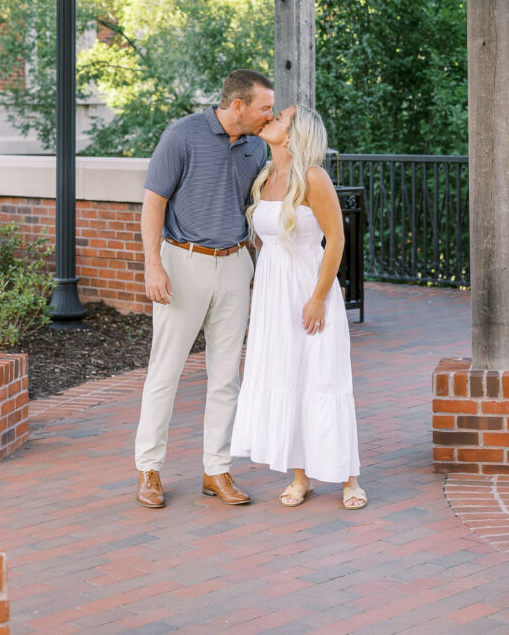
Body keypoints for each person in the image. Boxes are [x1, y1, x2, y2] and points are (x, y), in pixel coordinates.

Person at [135, 69, 275, 508]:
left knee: (226, 376)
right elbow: (153, 202)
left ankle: (216, 470)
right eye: (264, 108)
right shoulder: (183, 135)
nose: (269, 115)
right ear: (239, 106)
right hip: (183, 262)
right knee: (166, 371)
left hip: (235, 264)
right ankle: (149, 470)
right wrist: (153, 266)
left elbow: (259, 205)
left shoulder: (257, 147)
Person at [230, 104, 365, 510]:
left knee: (324, 378)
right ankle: (301, 477)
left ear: (293, 134)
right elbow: (263, 242)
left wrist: (321, 297)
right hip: (274, 294)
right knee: (289, 376)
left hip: (309, 290)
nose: (271, 119)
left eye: (280, 117)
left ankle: (348, 478)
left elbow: (336, 239)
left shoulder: (313, 177)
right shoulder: (265, 177)